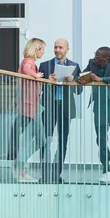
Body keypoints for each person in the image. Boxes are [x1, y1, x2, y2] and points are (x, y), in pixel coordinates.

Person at [80, 47, 110, 183]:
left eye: (98, 56)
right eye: (95, 55)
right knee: (101, 138)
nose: (95, 58)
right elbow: (82, 75)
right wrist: (82, 79)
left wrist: (101, 79)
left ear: (106, 58)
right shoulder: (91, 63)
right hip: (99, 105)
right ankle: (106, 169)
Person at [39, 39, 82, 183]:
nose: (57, 50)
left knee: (62, 141)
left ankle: (56, 174)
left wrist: (72, 81)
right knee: (45, 140)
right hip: (49, 106)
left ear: (67, 49)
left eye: (60, 47)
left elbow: (79, 90)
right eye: (55, 47)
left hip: (65, 107)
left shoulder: (75, 66)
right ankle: (45, 175)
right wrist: (48, 81)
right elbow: (38, 87)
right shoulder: (45, 65)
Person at [13, 38, 46, 183]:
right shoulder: (28, 61)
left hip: (33, 106)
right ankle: (20, 170)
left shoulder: (31, 62)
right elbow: (26, 70)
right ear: (36, 49)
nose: (43, 52)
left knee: (40, 139)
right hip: (30, 107)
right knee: (31, 139)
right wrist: (36, 75)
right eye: (42, 49)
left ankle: (20, 167)